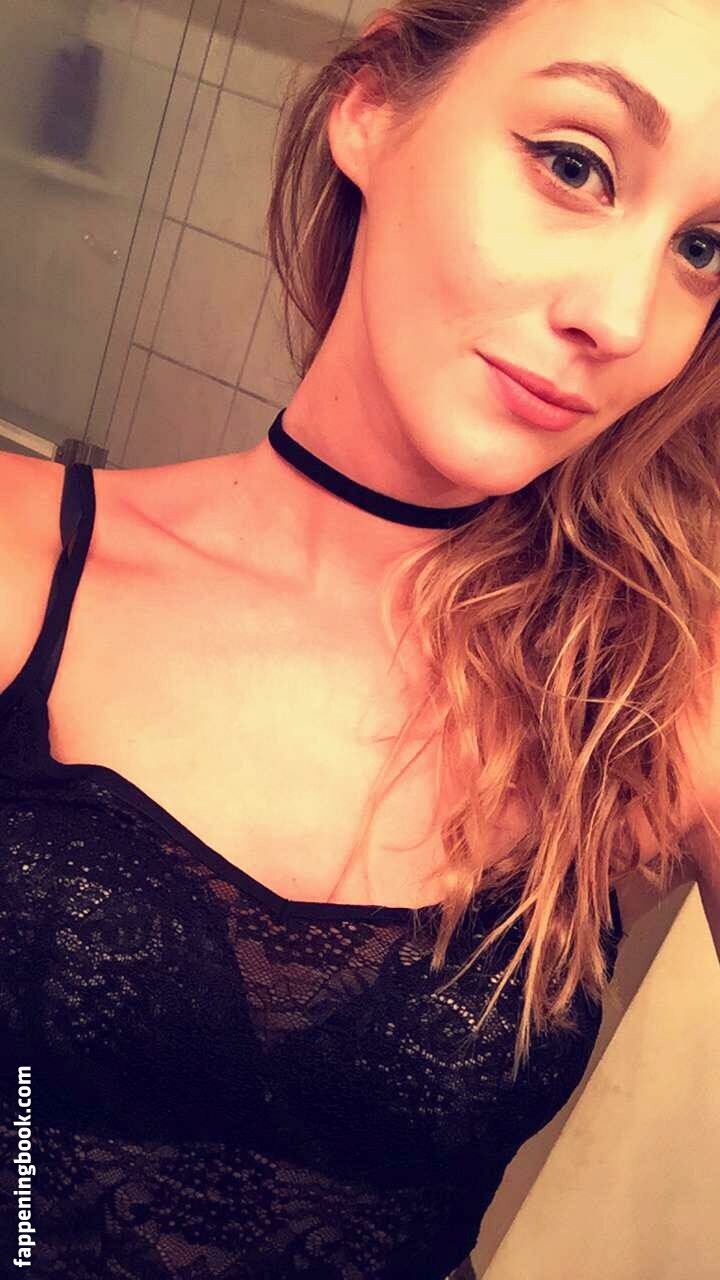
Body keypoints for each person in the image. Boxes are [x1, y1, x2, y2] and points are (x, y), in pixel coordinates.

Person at [1, 0, 719, 1276]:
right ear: (373, 104)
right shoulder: (23, 559)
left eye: (706, 248)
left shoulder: (646, 691)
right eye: (573, 163)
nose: (620, 315)